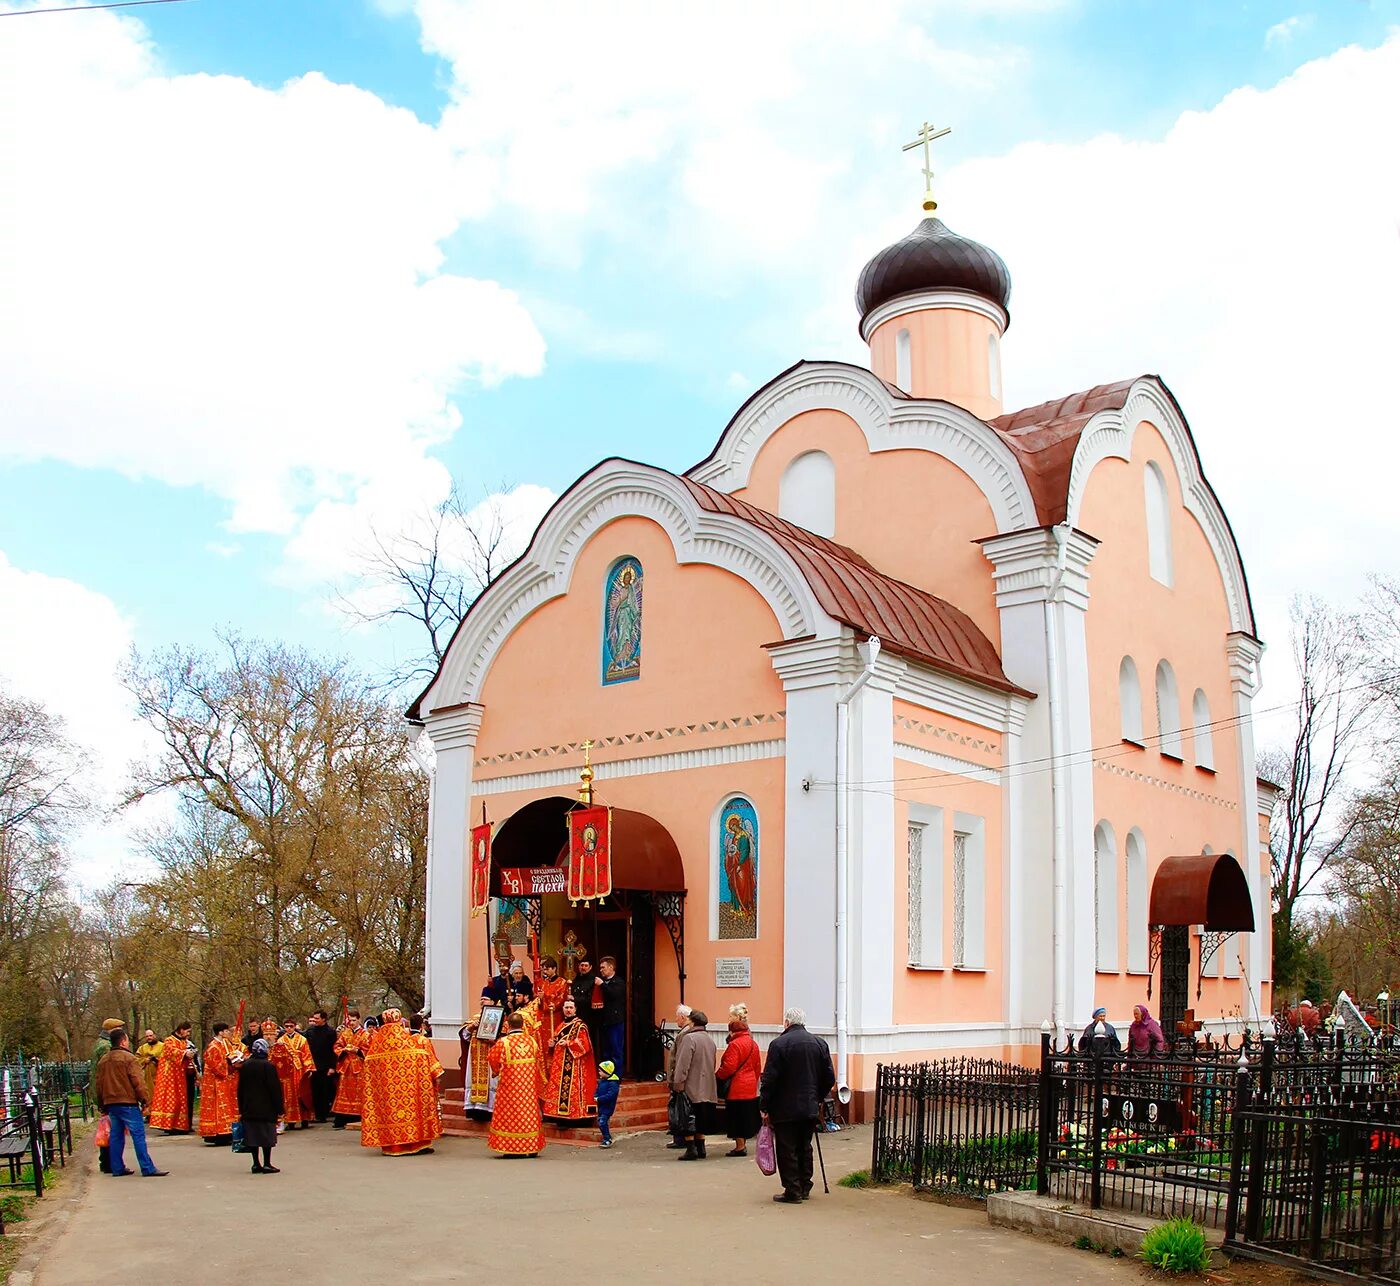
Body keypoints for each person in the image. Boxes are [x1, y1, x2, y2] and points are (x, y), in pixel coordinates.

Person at [760, 1006, 836, 1204]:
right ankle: (804, 1186)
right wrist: (817, 1096)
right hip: (809, 1106)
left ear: (787, 1022)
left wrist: (764, 1104)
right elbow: (829, 1077)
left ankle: (792, 1190)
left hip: (784, 1107)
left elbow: (770, 1078)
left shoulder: (778, 1044)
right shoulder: (819, 1043)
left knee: (787, 1148)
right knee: (805, 1146)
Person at [360, 1008, 443, 1157]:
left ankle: (392, 1147)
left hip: (387, 1093)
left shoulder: (375, 1047)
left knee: (390, 1114)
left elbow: (367, 1068)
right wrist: (435, 1075)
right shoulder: (411, 1044)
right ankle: (416, 1144)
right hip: (409, 1092)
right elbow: (426, 1060)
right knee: (413, 1114)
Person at [95, 1028, 167, 1177]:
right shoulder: (129, 1058)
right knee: (138, 1134)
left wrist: (102, 1103)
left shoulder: (104, 1060)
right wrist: (145, 1100)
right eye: (126, 1040)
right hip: (127, 1101)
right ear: (122, 1041)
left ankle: (117, 1168)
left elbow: (99, 1084)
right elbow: (138, 1081)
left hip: (111, 1103)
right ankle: (147, 1167)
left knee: (116, 1135)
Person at [486, 1011, 545, 1157]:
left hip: (510, 1088)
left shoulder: (503, 1042)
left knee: (510, 1116)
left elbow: (492, 1058)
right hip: (528, 1088)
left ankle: (512, 1148)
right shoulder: (532, 1041)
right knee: (529, 1114)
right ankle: (531, 1146)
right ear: (523, 1025)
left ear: (507, 1025)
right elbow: (539, 1062)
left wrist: (496, 1071)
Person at [670, 1008, 718, 1161]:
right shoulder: (709, 1039)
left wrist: (677, 1083)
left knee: (688, 1116)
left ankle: (691, 1149)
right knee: (701, 1116)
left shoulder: (689, 1039)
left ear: (692, 1021)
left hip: (690, 1085)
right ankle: (701, 1147)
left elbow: (683, 1064)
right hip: (707, 1086)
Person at [716, 1004, 763, 1157]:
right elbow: (757, 1066)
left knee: (736, 1117)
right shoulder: (753, 1043)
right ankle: (742, 1144)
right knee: (746, 1115)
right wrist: (754, 1081)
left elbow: (729, 1067)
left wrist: (718, 1076)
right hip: (749, 1086)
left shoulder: (735, 1045)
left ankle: (740, 1146)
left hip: (737, 1087)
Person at [543, 997, 597, 1124]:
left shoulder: (580, 1026)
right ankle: (560, 1117)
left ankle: (575, 1118)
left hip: (574, 1066)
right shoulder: (561, 1025)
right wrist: (552, 1045)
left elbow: (585, 1045)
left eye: (570, 1008)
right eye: (566, 1007)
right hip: (560, 1066)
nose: (568, 1010)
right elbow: (556, 1043)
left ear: (575, 1010)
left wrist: (568, 1043)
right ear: (562, 1009)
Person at [236, 1038, 282, 1174]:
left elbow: (240, 1088)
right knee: (266, 1137)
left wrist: (241, 1106)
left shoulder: (246, 1065)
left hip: (249, 1107)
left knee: (252, 1136)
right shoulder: (268, 1066)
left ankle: (255, 1163)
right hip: (266, 1108)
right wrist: (279, 1108)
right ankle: (267, 1163)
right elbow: (275, 1089)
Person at [90, 1018, 126, 1173]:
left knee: (108, 1127)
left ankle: (107, 1162)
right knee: (111, 1129)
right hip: (108, 1092)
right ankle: (108, 1162)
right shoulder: (106, 1046)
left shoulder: (100, 1043)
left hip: (103, 1091)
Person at [148, 1022, 196, 1133]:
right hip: (169, 1075)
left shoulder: (183, 1042)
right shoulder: (169, 1040)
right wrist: (184, 1053)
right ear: (181, 1030)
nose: (188, 1034)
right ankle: (168, 1124)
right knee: (171, 1099)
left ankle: (179, 1125)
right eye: (187, 1031)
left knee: (180, 1100)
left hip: (180, 1075)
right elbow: (171, 1052)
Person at [271, 1017, 316, 1128]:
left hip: (299, 1070)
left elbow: (307, 1055)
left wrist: (308, 1068)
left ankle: (304, 1119)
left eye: (291, 1026)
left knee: (301, 1094)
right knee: (288, 1096)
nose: (289, 1028)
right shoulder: (281, 1041)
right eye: (287, 1026)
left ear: (295, 1026)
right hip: (287, 1072)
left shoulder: (302, 1039)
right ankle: (290, 1121)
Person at [197, 1022, 236, 1145]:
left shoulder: (221, 1044)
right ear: (220, 1032)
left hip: (220, 1081)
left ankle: (224, 1133)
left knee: (223, 1106)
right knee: (217, 1107)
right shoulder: (214, 1046)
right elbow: (215, 1065)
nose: (228, 1033)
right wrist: (228, 1064)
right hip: (214, 1082)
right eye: (226, 1031)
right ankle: (219, 1134)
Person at [331, 1011, 367, 1128]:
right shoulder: (345, 1034)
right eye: (350, 1021)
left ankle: (358, 1117)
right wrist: (344, 1050)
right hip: (346, 1067)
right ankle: (342, 1117)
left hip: (359, 1067)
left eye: (353, 1020)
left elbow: (369, 1049)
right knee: (344, 1092)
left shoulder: (365, 1034)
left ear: (359, 1020)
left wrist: (358, 1051)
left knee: (359, 1092)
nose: (351, 1023)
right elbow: (337, 1046)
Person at [305, 1009, 338, 1123]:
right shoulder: (310, 1031)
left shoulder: (330, 1032)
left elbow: (334, 1050)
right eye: (314, 1018)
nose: (315, 1020)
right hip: (314, 1065)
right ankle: (316, 1114)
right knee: (314, 1091)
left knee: (324, 1091)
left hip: (326, 1066)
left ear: (323, 1019)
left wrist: (332, 1067)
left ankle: (323, 1115)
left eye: (317, 1018)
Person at [666, 1006, 693, 1150]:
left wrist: (674, 1078)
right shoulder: (686, 1032)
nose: (675, 1019)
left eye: (677, 1017)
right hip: (680, 1076)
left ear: (683, 1017)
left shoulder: (684, 1034)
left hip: (679, 1078)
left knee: (678, 1109)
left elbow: (679, 1058)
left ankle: (680, 1138)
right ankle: (680, 1137)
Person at [594, 955, 626, 1069]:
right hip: (604, 1021)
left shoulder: (618, 982)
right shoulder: (601, 982)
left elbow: (614, 994)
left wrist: (602, 985)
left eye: (603, 967)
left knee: (616, 1049)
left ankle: (616, 1075)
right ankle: (606, 1074)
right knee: (606, 1051)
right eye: (600, 968)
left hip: (615, 1021)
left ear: (611, 967)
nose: (601, 970)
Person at [535, 956, 569, 1052]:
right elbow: (538, 1001)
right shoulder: (543, 983)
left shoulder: (562, 983)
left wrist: (550, 1005)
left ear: (554, 969)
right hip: (543, 1017)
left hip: (555, 1016)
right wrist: (540, 999)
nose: (544, 972)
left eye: (547, 969)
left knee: (554, 1040)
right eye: (543, 969)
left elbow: (561, 1000)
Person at [571, 958, 600, 1050]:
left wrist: (575, 998)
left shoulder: (593, 981)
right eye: (581, 965)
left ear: (590, 967)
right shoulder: (575, 979)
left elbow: (591, 999)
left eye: (586, 965)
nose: (583, 968)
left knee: (588, 1040)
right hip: (576, 1015)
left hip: (589, 1016)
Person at [134, 1029, 162, 1113]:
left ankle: (160, 1113)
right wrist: (144, 1060)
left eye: (150, 1035)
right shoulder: (142, 1048)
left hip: (160, 1075)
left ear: (154, 1035)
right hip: (147, 1076)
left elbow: (167, 1059)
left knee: (160, 1094)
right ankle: (149, 1113)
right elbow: (136, 1060)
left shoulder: (162, 1046)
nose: (149, 1038)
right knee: (148, 1094)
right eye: (147, 1036)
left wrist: (157, 1060)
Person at [595, 1059, 621, 1148]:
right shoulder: (602, 1082)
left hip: (607, 1106)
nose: (599, 1073)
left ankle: (607, 1139)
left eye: (600, 1071)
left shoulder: (613, 1083)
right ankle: (606, 1136)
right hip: (601, 1106)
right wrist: (596, 1096)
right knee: (601, 1121)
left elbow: (611, 1095)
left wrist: (599, 1099)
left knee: (602, 1122)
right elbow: (597, 1091)